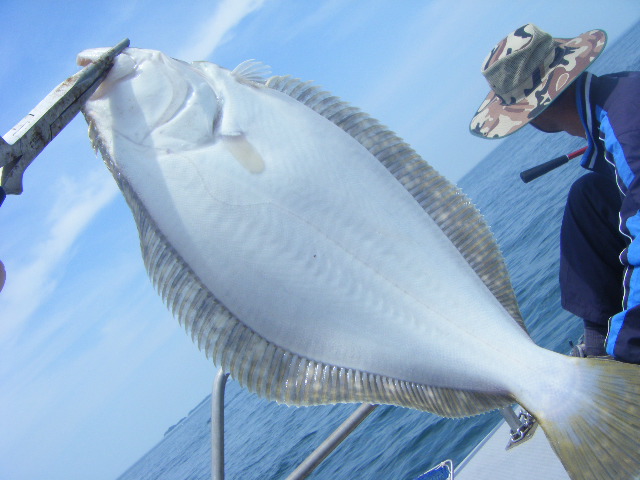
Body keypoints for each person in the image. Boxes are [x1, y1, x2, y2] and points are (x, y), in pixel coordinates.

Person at [469, 23, 640, 363]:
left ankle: (606, 354)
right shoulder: (619, 91)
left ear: (533, 115)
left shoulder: (625, 135)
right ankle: (597, 339)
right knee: (587, 196)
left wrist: (625, 346)